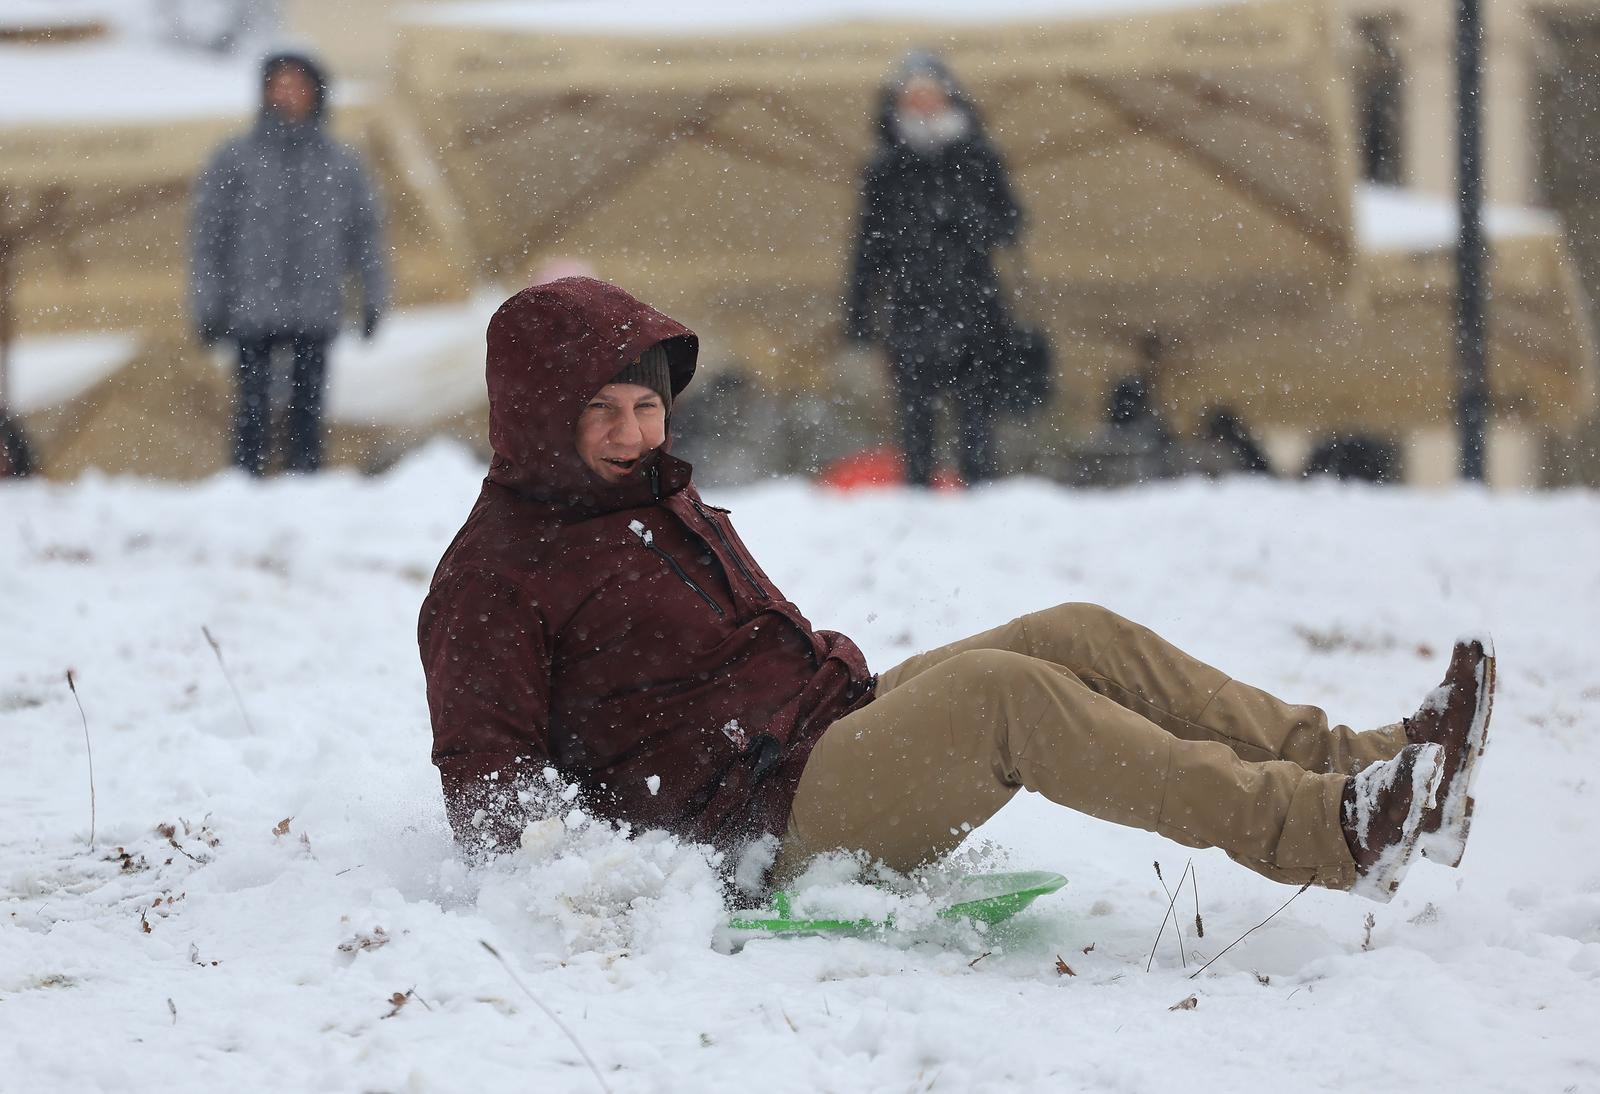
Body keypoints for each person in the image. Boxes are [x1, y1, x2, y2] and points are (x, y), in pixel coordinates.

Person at [420, 278, 1495, 904]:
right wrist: (591, 882)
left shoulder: (645, 498)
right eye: (598, 411)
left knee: (1072, 633)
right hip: (751, 823)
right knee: (1002, 697)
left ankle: (1368, 758)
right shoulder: (494, 573)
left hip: (809, 729)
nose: (631, 432)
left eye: (644, 407)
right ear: (535, 413)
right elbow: (489, 784)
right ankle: (1329, 830)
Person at [190, 49, 387, 476]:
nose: (287, 95)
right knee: (251, 408)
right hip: (252, 308)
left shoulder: (342, 163)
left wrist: (373, 296)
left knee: (308, 410)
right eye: (278, 85)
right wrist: (208, 303)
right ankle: (245, 487)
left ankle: (306, 487)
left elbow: (365, 236)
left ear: (316, 93)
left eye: (297, 85)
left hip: (316, 307)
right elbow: (209, 237)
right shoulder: (235, 159)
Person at [843, 51, 1023, 488]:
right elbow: (867, 247)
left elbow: (1011, 223)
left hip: (975, 301)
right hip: (911, 304)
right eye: (913, 98)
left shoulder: (978, 156)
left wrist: (966, 218)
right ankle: (919, 493)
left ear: (950, 99)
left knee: (977, 415)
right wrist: (859, 316)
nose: (922, 105)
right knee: (914, 416)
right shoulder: (886, 167)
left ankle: (981, 494)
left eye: (931, 96)